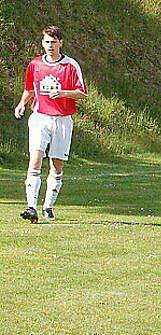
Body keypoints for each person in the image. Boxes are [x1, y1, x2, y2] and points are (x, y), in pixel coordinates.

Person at [13, 26, 87, 223]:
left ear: (60, 43)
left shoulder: (70, 66)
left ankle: (48, 206)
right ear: (42, 43)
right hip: (40, 117)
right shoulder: (35, 64)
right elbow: (30, 88)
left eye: (53, 42)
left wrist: (63, 93)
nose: (50, 46)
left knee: (56, 166)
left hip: (62, 120)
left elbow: (82, 93)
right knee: (35, 159)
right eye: (47, 42)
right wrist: (22, 104)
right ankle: (31, 207)